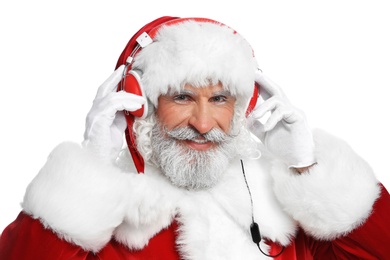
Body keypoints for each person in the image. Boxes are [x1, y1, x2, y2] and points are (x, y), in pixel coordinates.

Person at [0, 15, 389, 260]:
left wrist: (307, 167)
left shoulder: (287, 215)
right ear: (140, 104)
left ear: (244, 107)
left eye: (219, 99)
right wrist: (92, 170)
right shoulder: (102, 226)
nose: (204, 123)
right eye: (182, 97)